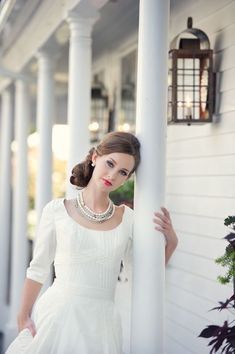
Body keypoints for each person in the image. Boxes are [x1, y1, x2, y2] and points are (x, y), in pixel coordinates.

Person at [6, 131, 178, 354]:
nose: (112, 175)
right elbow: (37, 269)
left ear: (128, 179)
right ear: (95, 157)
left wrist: (172, 242)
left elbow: (142, 278)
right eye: (110, 163)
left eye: (123, 172)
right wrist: (23, 316)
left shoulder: (128, 219)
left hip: (101, 327)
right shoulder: (57, 210)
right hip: (55, 318)